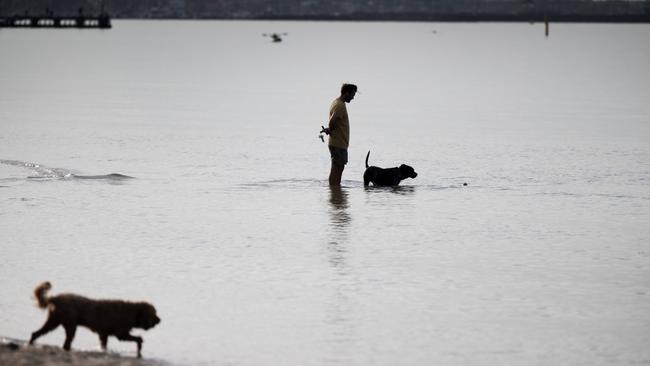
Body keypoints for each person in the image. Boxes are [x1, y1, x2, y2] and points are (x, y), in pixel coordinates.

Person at [321, 83, 357, 186]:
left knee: (338, 167)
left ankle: (335, 191)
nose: (353, 98)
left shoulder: (337, 103)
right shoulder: (340, 105)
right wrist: (330, 129)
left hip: (338, 143)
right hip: (338, 143)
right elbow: (332, 121)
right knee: (337, 167)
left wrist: (329, 130)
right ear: (346, 93)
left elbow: (333, 122)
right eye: (352, 94)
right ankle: (334, 189)